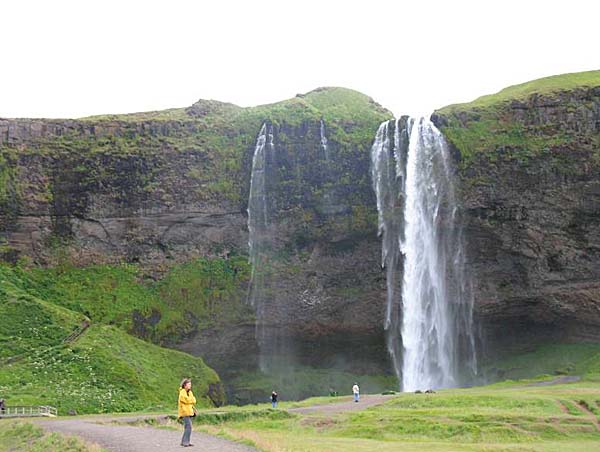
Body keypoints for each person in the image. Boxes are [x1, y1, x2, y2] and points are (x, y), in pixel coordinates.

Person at [178, 378, 197, 447]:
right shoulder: (182, 392)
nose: (190, 386)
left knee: (188, 427)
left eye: (190, 384)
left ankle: (185, 441)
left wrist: (190, 401)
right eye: (188, 384)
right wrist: (191, 400)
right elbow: (186, 400)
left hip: (189, 412)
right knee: (189, 427)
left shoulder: (190, 392)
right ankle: (185, 442)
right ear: (184, 385)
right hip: (184, 412)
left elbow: (194, 400)